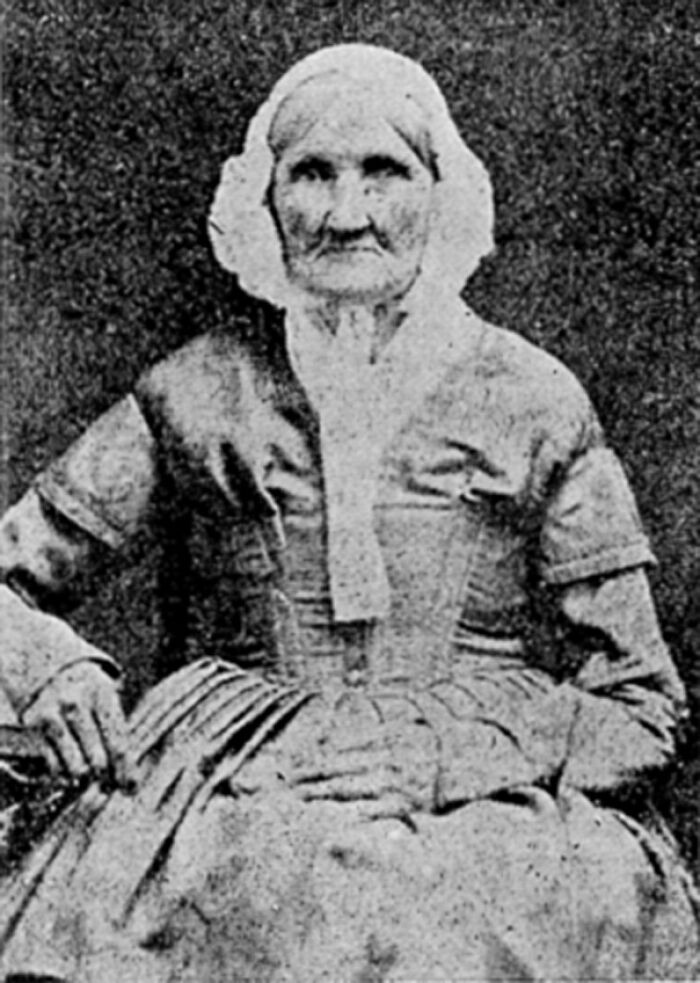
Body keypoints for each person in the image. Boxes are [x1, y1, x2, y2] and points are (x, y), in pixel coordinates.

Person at [0, 43, 698, 981]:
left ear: (438, 193)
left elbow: (643, 702)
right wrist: (44, 665)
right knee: (249, 882)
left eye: (384, 173)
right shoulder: (197, 390)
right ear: (266, 196)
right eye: (313, 175)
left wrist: (458, 763)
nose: (345, 214)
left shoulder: (532, 399)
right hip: (226, 778)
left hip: (488, 787)